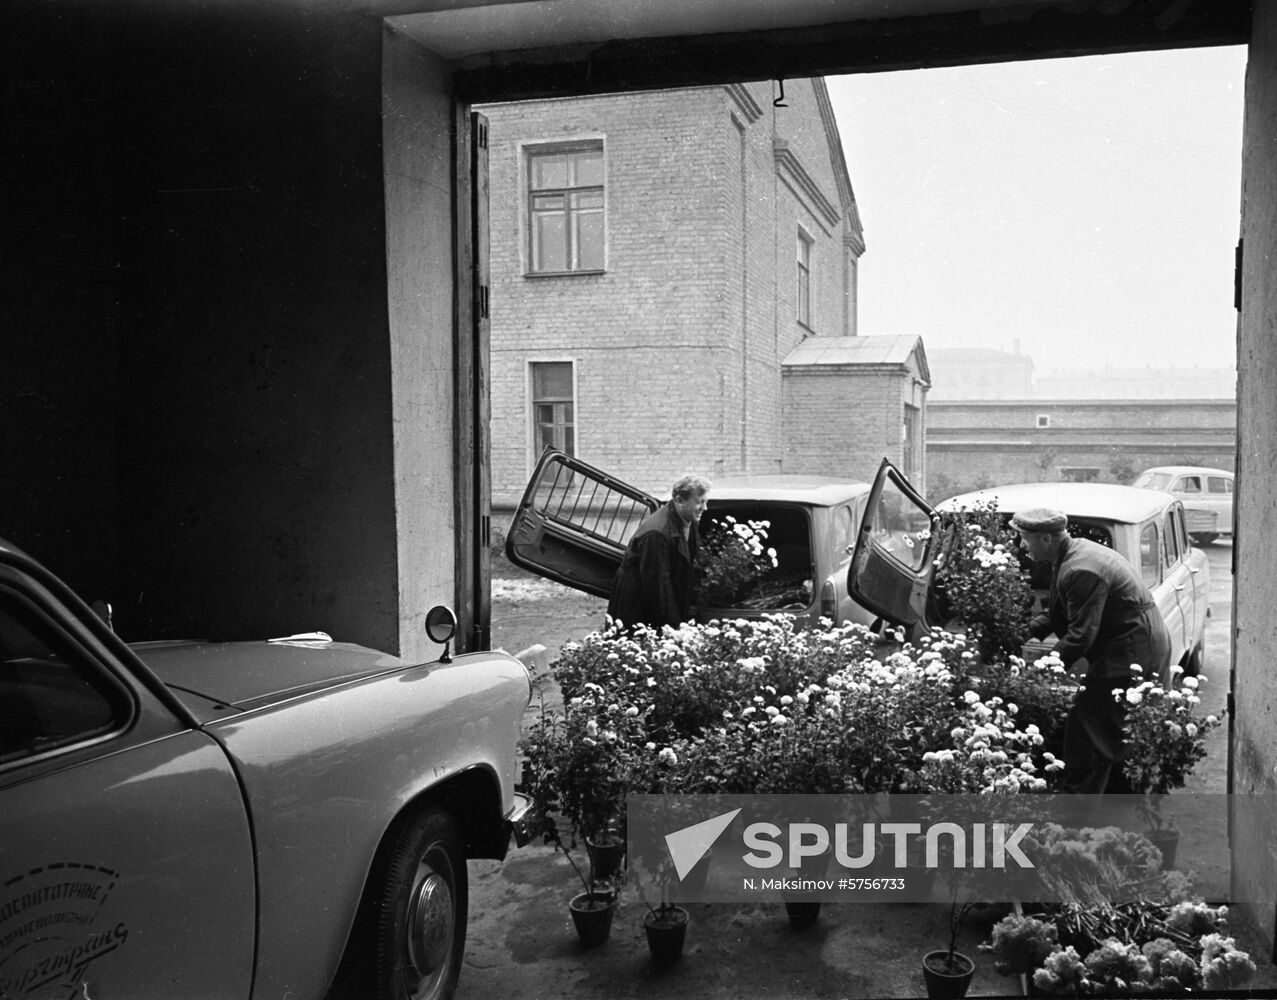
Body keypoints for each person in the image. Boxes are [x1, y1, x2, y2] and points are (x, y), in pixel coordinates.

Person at [1011, 507, 1171, 797]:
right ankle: (1116, 809)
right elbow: (1064, 610)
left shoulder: (1080, 568)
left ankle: (1076, 819)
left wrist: (1040, 671)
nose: (1022, 546)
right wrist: (1027, 630)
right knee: (1114, 729)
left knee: (1087, 727)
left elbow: (1080, 635)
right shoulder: (1071, 555)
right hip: (1131, 644)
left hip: (1133, 651)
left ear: (1045, 538)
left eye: (1024, 538)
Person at [607, 474, 711, 631]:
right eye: (699, 502)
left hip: (652, 604)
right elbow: (658, 587)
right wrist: (675, 628)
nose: (705, 508)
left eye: (705, 502)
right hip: (635, 609)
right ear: (680, 501)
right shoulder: (657, 535)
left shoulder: (688, 520)